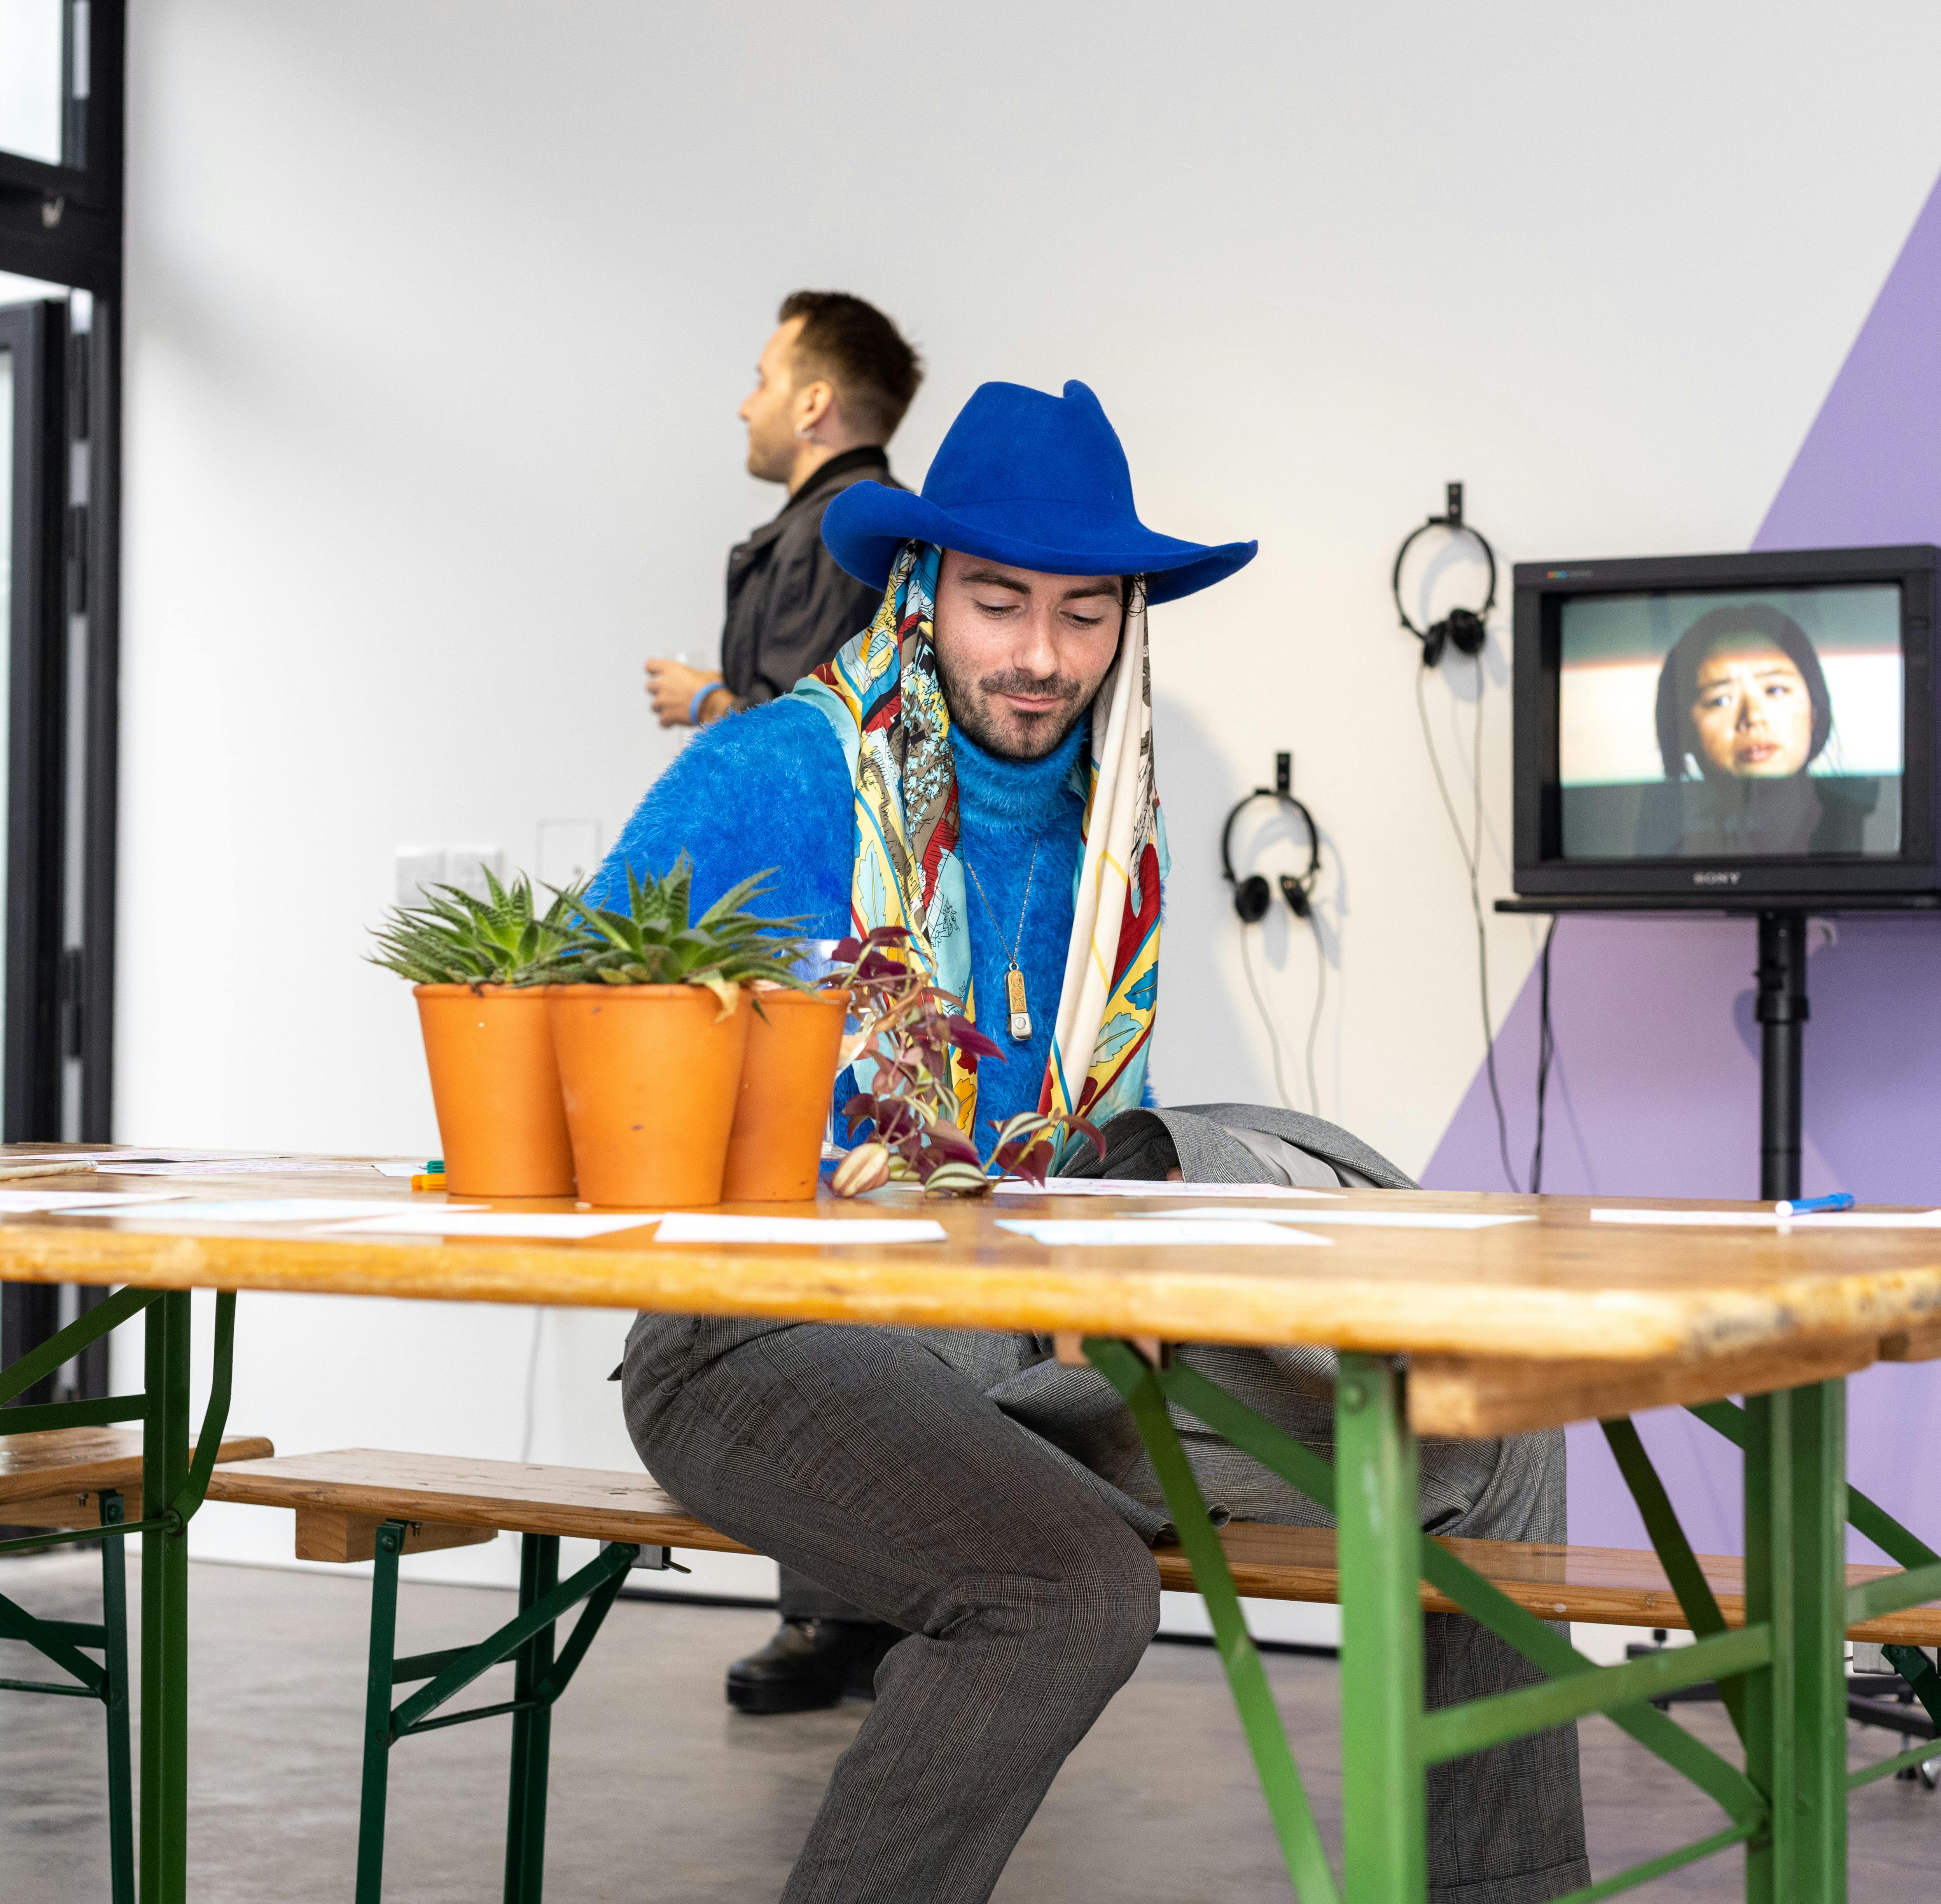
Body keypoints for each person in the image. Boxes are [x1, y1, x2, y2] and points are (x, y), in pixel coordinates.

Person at [598, 380, 1589, 1904]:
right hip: (756, 1333)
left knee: (1490, 1438)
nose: (1043, 656)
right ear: (924, 590)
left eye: (1085, 612)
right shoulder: (766, 775)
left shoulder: (1110, 826)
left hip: (1016, 1334)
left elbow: (1058, 1138)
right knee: (1063, 1591)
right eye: (999, 603)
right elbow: (575, 1029)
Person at [643, 291, 922, 730]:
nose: (746, 409)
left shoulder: (832, 534)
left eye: (762, 383)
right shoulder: (885, 518)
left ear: (811, 405)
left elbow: (799, 728)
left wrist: (706, 702)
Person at [1644, 602, 1870, 856]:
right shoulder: (1677, 862)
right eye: (1721, 701)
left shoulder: (1873, 835)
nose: (1753, 717)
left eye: (1775, 690)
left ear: (1814, 711)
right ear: (1683, 731)